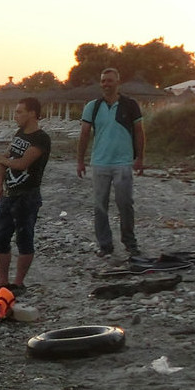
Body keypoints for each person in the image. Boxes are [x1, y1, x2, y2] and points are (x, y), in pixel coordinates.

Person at [74, 68, 144, 259]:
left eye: (110, 81)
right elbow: (84, 135)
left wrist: (140, 158)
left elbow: (139, 132)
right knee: (100, 206)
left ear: (117, 82)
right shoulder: (92, 107)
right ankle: (105, 245)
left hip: (123, 162)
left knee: (125, 204)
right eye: (103, 81)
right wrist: (80, 161)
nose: (106, 84)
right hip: (100, 163)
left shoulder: (130, 105)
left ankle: (130, 242)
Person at [0, 97, 50, 291]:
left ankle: (18, 283)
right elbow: (6, 159)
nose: (15, 116)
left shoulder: (41, 139)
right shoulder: (19, 134)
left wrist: (3, 159)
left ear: (32, 113)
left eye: (19, 112)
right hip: (9, 194)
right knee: (0, 239)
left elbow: (22, 163)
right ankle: (2, 283)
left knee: (24, 239)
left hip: (27, 195)